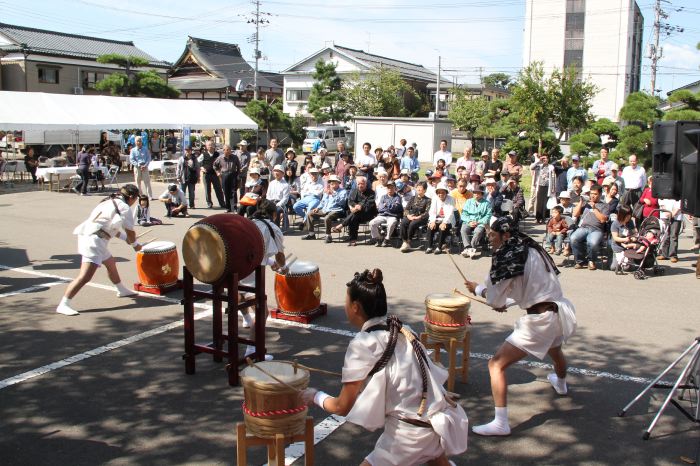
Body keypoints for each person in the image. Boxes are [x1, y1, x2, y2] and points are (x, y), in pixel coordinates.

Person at [300, 269, 469, 466]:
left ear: (355, 307)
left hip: (410, 434)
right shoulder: (403, 329)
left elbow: (342, 406)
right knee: (435, 459)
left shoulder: (363, 343)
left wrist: (314, 396)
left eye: (346, 301)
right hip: (435, 422)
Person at [463, 216, 576, 436]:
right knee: (556, 351)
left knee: (496, 365)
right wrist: (507, 301)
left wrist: (478, 289)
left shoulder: (508, 256)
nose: (490, 238)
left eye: (493, 235)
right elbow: (529, 287)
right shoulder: (531, 247)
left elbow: (495, 300)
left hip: (540, 320)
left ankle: (500, 423)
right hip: (558, 312)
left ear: (505, 235)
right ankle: (561, 384)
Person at [56, 185, 142, 316]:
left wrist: (125, 238)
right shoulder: (124, 207)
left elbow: (109, 227)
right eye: (136, 199)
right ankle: (64, 303)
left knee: (111, 263)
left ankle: (121, 289)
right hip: (94, 242)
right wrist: (136, 246)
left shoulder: (108, 201)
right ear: (131, 197)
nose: (135, 202)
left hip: (94, 237)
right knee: (85, 276)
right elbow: (130, 231)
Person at [237, 199, 287, 358]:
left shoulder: (247, 223)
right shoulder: (273, 228)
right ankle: (252, 351)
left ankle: (246, 319)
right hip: (251, 273)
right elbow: (280, 255)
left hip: (234, 267)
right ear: (274, 214)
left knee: (238, 295)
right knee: (262, 313)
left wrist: (269, 261)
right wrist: (283, 267)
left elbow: (256, 251)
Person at [570, 184, 610, 270]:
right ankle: (580, 261)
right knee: (573, 238)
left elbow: (603, 220)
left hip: (597, 230)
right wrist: (581, 202)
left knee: (593, 242)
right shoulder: (585, 204)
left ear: (599, 194)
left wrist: (594, 208)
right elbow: (575, 214)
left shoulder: (605, 205)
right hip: (584, 228)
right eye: (591, 193)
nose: (592, 196)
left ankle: (591, 261)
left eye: (595, 194)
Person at [331, 176, 377, 247]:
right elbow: (350, 201)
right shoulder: (354, 190)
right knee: (354, 216)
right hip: (356, 213)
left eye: (362, 184)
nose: (360, 185)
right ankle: (351, 239)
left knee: (355, 214)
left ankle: (343, 229)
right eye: (358, 184)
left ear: (366, 184)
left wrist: (360, 206)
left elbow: (369, 204)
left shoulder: (371, 192)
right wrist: (353, 207)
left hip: (368, 214)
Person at [302, 175, 347, 243]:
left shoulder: (343, 191)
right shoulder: (327, 191)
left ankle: (328, 235)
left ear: (338, 183)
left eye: (334, 182)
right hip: (325, 210)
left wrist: (333, 194)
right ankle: (311, 234)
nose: (331, 183)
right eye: (330, 182)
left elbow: (342, 203)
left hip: (336, 210)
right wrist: (317, 208)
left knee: (327, 218)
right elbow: (322, 202)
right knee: (309, 214)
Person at [460, 184, 491, 258]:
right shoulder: (468, 201)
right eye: (475, 193)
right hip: (469, 221)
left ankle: (472, 247)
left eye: (478, 193)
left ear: (482, 194)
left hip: (480, 222)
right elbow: (464, 214)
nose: (476, 194)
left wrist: (478, 222)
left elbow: (488, 215)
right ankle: (468, 247)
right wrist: (469, 221)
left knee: (478, 231)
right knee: (463, 229)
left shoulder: (486, 203)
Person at [369, 180, 403, 247]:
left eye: (392, 187)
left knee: (391, 223)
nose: (390, 189)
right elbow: (380, 208)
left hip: (393, 216)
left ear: (395, 188)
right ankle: (379, 238)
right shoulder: (383, 197)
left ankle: (387, 238)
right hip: (382, 215)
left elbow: (395, 208)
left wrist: (386, 204)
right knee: (372, 223)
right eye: (388, 187)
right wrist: (390, 205)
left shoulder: (398, 197)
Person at [399, 181, 431, 252]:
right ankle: (404, 242)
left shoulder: (428, 200)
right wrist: (408, 215)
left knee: (412, 224)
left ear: (425, 190)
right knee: (403, 222)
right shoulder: (413, 198)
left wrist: (418, 217)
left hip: (421, 218)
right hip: (411, 216)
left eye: (421, 188)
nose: (419, 190)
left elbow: (427, 212)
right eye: (417, 188)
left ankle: (408, 241)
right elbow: (406, 209)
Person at [425, 182, 456, 255]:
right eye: (439, 192)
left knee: (442, 228)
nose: (440, 194)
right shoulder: (435, 198)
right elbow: (432, 211)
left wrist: (444, 222)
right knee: (431, 226)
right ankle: (429, 246)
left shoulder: (451, 199)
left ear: (446, 192)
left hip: (448, 220)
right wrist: (432, 221)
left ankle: (439, 247)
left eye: (442, 192)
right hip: (437, 219)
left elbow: (450, 213)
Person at [213, 144, 241, 213]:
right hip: (224, 175)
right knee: (226, 191)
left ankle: (234, 206)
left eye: (230, 150)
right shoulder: (220, 158)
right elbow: (214, 165)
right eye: (227, 150)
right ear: (224, 150)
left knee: (233, 191)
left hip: (233, 175)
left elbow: (239, 167)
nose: (229, 151)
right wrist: (218, 172)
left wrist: (238, 175)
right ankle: (228, 207)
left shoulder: (235, 157)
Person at [199, 140, 225, 209]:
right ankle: (209, 203)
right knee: (207, 189)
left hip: (215, 174)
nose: (210, 146)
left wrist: (220, 170)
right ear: (206, 147)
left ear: (214, 146)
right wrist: (201, 168)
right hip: (206, 174)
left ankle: (222, 203)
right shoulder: (203, 154)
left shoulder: (218, 154)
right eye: (208, 145)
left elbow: (222, 162)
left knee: (218, 189)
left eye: (211, 145)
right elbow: (198, 162)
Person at [609, 205, 637, 270]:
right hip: (618, 247)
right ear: (622, 215)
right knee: (613, 267)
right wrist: (625, 239)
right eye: (627, 216)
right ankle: (612, 257)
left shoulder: (630, 222)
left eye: (629, 216)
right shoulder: (615, 224)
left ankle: (630, 261)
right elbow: (615, 238)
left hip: (628, 247)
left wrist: (633, 237)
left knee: (627, 267)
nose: (628, 218)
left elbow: (634, 233)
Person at [531, 154, 556, 224]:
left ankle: (545, 218)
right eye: (543, 158)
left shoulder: (551, 167)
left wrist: (553, 188)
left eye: (546, 158)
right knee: (539, 202)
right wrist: (539, 160)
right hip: (540, 186)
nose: (544, 160)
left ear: (548, 159)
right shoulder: (539, 166)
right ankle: (538, 218)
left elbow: (553, 177)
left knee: (546, 202)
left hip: (548, 186)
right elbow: (532, 167)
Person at [266, 165, 291, 231]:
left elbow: (285, 199)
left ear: (283, 174)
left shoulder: (286, 185)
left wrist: (277, 204)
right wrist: (269, 203)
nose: (276, 173)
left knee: (276, 210)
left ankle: (276, 229)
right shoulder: (271, 183)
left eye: (279, 171)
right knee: (262, 209)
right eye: (275, 171)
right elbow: (268, 195)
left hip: (280, 204)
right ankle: (267, 227)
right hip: (271, 202)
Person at [658, 198, 682, 262]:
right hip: (664, 215)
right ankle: (664, 254)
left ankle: (673, 255)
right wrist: (666, 212)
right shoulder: (663, 191)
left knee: (673, 236)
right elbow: (661, 201)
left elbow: (679, 203)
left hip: (676, 216)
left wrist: (673, 214)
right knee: (665, 235)